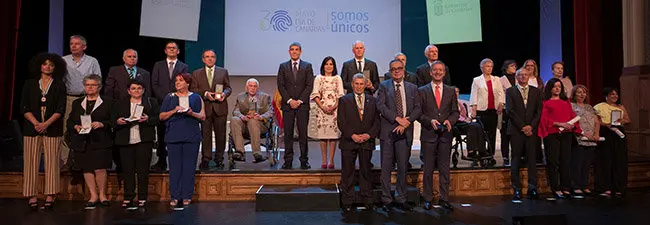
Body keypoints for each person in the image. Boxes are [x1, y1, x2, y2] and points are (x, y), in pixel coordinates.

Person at [20, 53, 67, 210]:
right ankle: (31, 195)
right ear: (39, 66)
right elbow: (24, 107)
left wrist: (46, 124)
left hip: (52, 127)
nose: (48, 67)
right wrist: (36, 123)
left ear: (55, 68)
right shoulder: (29, 84)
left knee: (52, 162)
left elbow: (61, 108)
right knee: (30, 163)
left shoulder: (59, 85)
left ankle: (50, 195)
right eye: (45, 64)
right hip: (32, 127)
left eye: (51, 65)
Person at [376, 59, 421, 212]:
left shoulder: (413, 87)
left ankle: (401, 198)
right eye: (393, 69)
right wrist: (397, 119)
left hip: (405, 131)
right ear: (389, 71)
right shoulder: (384, 86)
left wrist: (406, 122)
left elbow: (417, 108)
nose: (396, 71)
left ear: (403, 70)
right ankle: (387, 199)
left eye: (399, 68)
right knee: (386, 167)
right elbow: (380, 106)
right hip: (388, 131)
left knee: (402, 166)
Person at [159, 73, 205, 210]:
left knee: (189, 167)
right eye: (176, 80)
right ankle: (174, 196)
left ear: (188, 83)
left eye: (181, 80)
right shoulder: (169, 97)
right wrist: (174, 110)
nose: (177, 83)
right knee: (175, 168)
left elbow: (202, 116)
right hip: (173, 136)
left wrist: (192, 113)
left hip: (191, 136)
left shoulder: (196, 98)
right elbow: (161, 116)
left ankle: (187, 195)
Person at [111, 80, 159, 210]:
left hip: (144, 141)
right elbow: (113, 120)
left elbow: (157, 119)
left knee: (143, 170)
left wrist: (148, 119)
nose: (136, 91)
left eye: (139, 88)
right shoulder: (120, 103)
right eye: (133, 88)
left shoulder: (150, 102)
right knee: (128, 170)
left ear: (143, 90)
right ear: (128, 91)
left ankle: (142, 197)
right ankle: (128, 196)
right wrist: (118, 121)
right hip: (125, 140)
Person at [67, 74, 113, 209]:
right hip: (82, 140)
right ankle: (93, 196)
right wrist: (75, 126)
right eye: (87, 85)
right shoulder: (77, 103)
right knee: (87, 168)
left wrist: (102, 124)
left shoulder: (108, 102)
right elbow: (70, 121)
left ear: (99, 87)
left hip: (100, 140)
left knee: (99, 168)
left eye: (93, 85)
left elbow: (113, 121)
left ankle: (103, 195)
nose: (90, 87)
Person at [419, 61, 459, 211]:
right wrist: (430, 121)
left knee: (444, 168)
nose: (437, 72)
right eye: (434, 70)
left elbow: (455, 111)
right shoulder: (422, 90)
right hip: (429, 134)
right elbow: (419, 113)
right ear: (430, 72)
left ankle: (444, 198)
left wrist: (450, 120)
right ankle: (428, 198)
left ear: (444, 73)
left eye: (440, 70)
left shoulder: (450, 90)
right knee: (428, 168)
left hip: (445, 135)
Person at [337, 73, 380, 212]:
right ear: (352, 84)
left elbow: (377, 122)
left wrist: (368, 135)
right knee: (348, 173)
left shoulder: (372, 100)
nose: (359, 86)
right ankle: (347, 201)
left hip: (366, 141)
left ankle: (367, 200)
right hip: (349, 142)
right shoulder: (344, 100)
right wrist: (353, 135)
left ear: (365, 85)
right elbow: (341, 122)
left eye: (362, 84)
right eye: (357, 84)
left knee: (366, 172)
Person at [61, 35, 102, 170]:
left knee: (87, 127)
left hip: (87, 98)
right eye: (71, 43)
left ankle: (84, 160)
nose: (73, 46)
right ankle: (65, 162)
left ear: (84, 46)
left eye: (77, 44)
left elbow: (98, 79)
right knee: (67, 128)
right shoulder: (63, 60)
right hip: (68, 98)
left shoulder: (92, 61)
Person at [538, 78, 582, 200]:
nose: (557, 88)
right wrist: (559, 124)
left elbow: (572, 116)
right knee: (553, 162)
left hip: (566, 134)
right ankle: (556, 188)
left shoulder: (566, 101)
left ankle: (565, 187)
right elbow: (544, 119)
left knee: (565, 161)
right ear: (550, 88)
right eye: (554, 86)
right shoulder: (545, 102)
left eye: (559, 86)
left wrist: (573, 125)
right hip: (552, 134)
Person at [505, 68, 543, 202]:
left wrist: (530, 126)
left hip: (531, 131)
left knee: (532, 159)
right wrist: (523, 126)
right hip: (516, 130)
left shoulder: (536, 91)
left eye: (525, 75)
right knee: (515, 158)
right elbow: (510, 110)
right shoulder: (510, 91)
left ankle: (532, 188)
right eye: (520, 75)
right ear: (516, 77)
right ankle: (516, 188)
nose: (523, 77)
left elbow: (539, 111)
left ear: (529, 76)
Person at [150, 41, 189, 171]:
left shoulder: (183, 66)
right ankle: (161, 160)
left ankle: (176, 161)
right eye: (169, 48)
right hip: (161, 103)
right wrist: (166, 99)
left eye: (174, 48)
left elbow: (183, 84)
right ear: (165, 51)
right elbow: (154, 84)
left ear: (178, 51)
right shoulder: (158, 65)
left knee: (176, 131)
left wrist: (173, 99)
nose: (171, 50)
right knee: (161, 133)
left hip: (177, 103)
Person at [190, 50, 231, 170]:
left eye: (212, 57)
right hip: (204, 108)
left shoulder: (223, 72)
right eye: (207, 57)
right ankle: (206, 159)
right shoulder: (196, 73)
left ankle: (219, 158)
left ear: (215, 59)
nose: (210, 59)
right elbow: (193, 89)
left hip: (220, 107)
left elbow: (228, 87)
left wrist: (224, 93)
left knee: (221, 135)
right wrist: (205, 93)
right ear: (203, 59)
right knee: (205, 135)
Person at [276, 42, 314, 169]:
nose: (294, 52)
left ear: (300, 52)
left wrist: (300, 101)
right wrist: (290, 100)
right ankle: (288, 160)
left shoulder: (307, 66)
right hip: (288, 106)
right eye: (292, 50)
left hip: (302, 106)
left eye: (296, 50)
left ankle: (304, 160)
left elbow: (309, 86)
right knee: (288, 134)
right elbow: (281, 85)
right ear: (289, 52)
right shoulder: (283, 66)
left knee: (303, 134)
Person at [593, 87, 631, 198]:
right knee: (605, 160)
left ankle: (619, 187)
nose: (615, 96)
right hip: (606, 133)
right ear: (606, 96)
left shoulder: (620, 107)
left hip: (619, 134)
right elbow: (597, 120)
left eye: (616, 94)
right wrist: (606, 124)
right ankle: (605, 187)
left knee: (619, 161)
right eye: (612, 94)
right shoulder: (599, 106)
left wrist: (622, 120)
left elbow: (628, 120)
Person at [309, 56, 344, 169]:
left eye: (331, 64)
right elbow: (315, 94)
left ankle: (331, 160)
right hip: (322, 109)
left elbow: (340, 94)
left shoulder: (338, 78)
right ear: (323, 66)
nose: (329, 66)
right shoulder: (318, 78)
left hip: (335, 110)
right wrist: (323, 107)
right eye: (327, 64)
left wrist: (334, 106)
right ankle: (324, 160)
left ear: (334, 66)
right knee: (323, 136)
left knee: (333, 136)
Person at [469, 58, 505, 161]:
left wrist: (501, 104)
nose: (489, 68)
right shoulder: (477, 80)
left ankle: (490, 153)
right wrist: (474, 108)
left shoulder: (496, 79)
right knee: (481, 133)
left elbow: (500, 93)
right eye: (487, 66)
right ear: (482, 68)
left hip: (493, 110)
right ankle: (481, 152)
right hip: (481, 110)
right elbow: (474, 94)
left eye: (491, 66)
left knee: (492, 133)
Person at [230, 78, 273, 163]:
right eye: (250, 86)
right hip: (244, 125)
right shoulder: (240, 97)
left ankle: (257, 153)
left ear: (258, 88)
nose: (252, 88)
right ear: (246, 87)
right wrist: (242, 116)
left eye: (255, 86)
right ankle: (239, 151)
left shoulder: (265, 97)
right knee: (234, 119)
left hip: (260, 125)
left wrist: (261, 117)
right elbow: (236, 111)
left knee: (253, 121)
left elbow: (270, 111)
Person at [570, 85, 600, 198]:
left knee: (587, 164)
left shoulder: (589, 107)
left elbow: (596, 122)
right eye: (579, 92)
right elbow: (572, 122)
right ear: (574, 94)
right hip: (578, 138)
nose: (582, 94)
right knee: (577, 163)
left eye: (584, 92)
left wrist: (596, 133)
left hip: (592, 139)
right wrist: (583, 133)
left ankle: (584, 185)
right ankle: (576, 186)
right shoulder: (571, 106)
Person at [453, 87, 486, 158]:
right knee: (472, 126)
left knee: (478, 125)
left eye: (457, 92)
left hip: (463, 123)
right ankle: (471, 151)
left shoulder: (460, 103)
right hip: (456, 124)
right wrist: (464, 120)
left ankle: (481, 150)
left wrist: (468, 118)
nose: (456, 93)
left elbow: (464, 115)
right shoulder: (448, 103)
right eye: (454, 92)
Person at [523, 59, 544, 164]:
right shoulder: (521, 79)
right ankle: (526, 157)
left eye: (532, 66)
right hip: (524, 110)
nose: (530, 67)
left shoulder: (538, 80)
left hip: (536, 110)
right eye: (528, 65)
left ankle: (537, 157)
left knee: (536, 135)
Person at [499, 60, 517, 166]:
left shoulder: (518, 79)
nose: (514, 67)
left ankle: (517, 157)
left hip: (516, 110)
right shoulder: (500, 80)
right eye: (512, 66)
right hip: (505, 110)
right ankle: (505, 157)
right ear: (506, 68)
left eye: (515, 66)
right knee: (505, 135)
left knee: (515, 135)